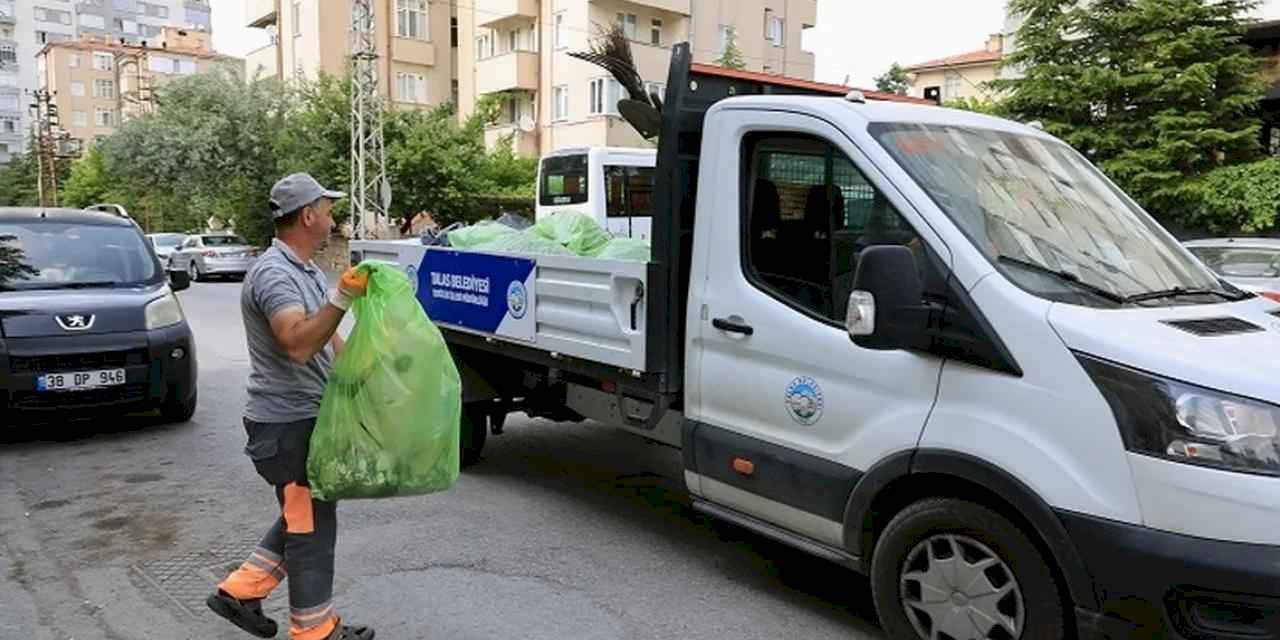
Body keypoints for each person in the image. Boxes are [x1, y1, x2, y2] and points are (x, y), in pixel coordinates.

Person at [206, 173, 374, 640]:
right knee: (310, 528)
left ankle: (240, 591)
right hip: (287, 427)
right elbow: (298, 343)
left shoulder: (304, 270)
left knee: (304, 517)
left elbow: (327, 341)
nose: (332, 219)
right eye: (327, 210)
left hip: (304, 422)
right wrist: (343, 297)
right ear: (307, 215)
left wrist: (366, 374)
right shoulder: (274, 274)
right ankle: (314, 630)